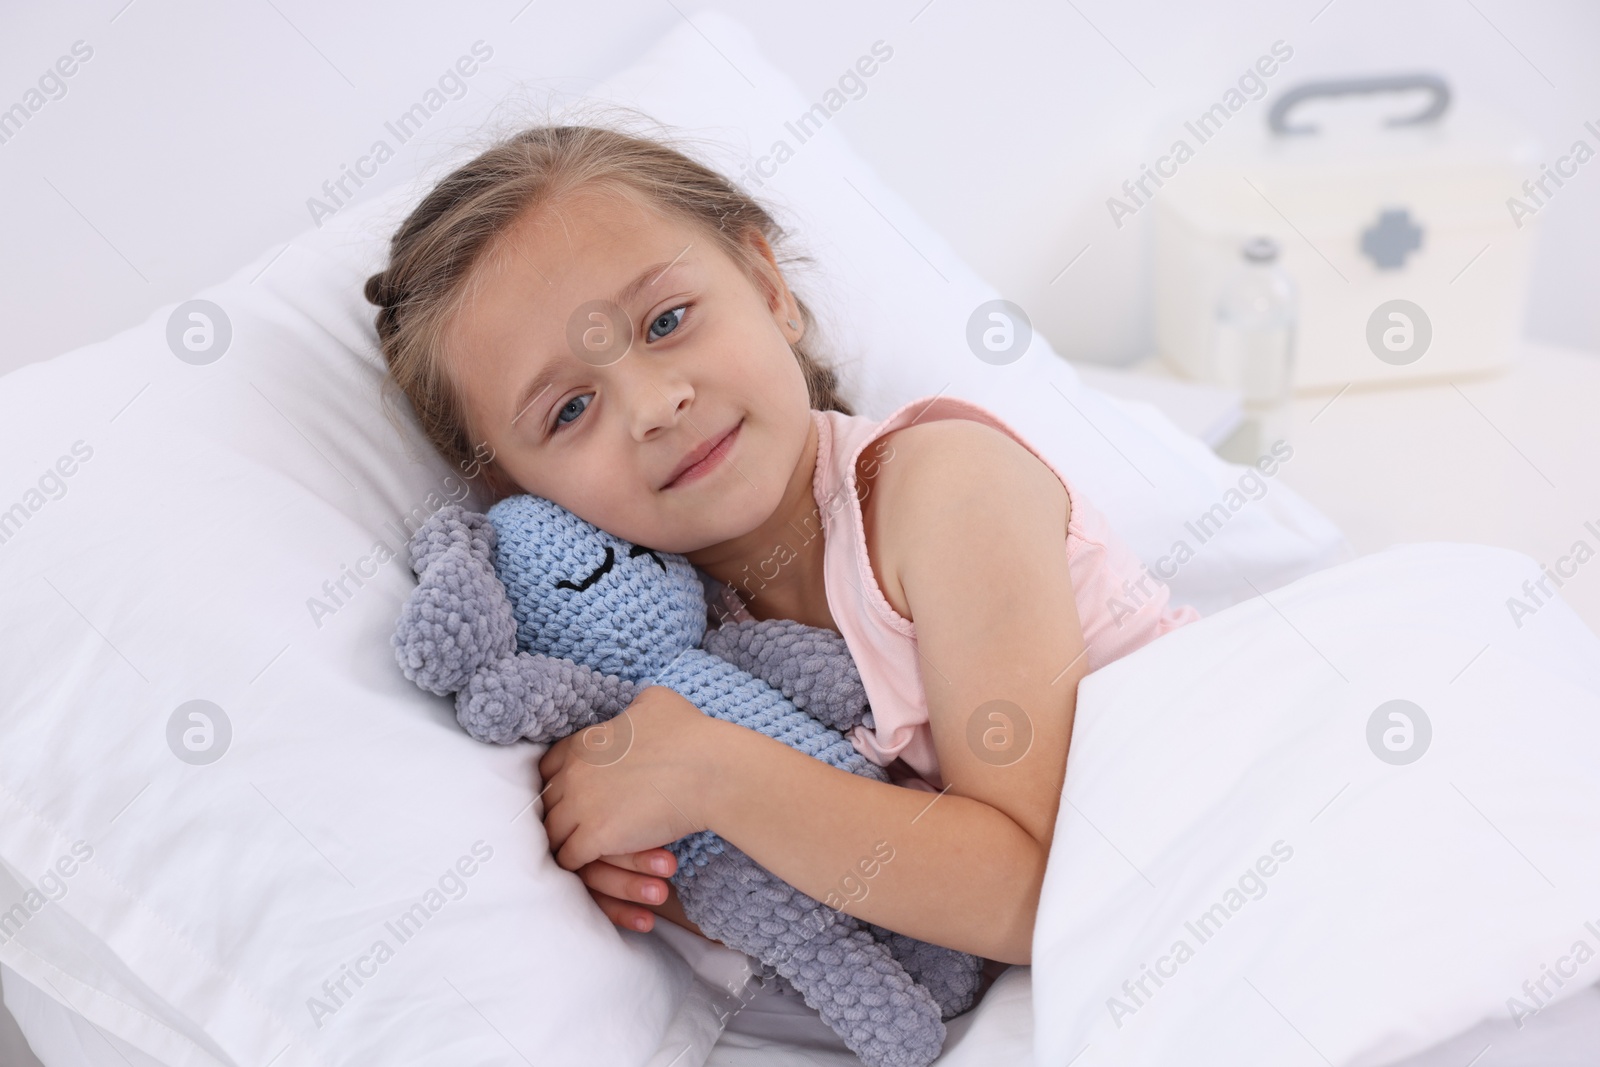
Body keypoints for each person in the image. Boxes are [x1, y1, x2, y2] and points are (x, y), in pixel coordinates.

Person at [365, 122, 1199, 982]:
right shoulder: (677, 649)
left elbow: (1038, 894)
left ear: (769, 289)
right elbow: (866, 903)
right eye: (568, 411)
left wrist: (713, 775)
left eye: (666, 320)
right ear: (521, 495)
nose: (654, 403)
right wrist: (662, 867)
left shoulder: (945, 490)